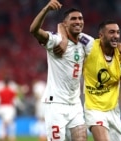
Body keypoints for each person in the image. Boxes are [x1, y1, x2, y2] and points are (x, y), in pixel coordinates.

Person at [29, 0, 94, 140]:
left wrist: (120, 47)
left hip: (75, 104)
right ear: (65, 24)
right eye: (74, 19)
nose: (78, 21)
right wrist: (46, 9)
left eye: (80, 18)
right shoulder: (56, 41)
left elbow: (104, 44)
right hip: (56, 105)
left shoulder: (85, 41)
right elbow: (34, 30)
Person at [81, 20, 121, 141]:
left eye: (118, 33)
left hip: (113, 110)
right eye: (111, 32)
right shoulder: (91, 46)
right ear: (101, 35)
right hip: (93, 109)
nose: (116, 36)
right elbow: (74, 33)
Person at [0, 75, 24, 141]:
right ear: (9, 83)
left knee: (3, 123)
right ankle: (11, 137)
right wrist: (21, 106)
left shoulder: (0, 91)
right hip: (10, 108)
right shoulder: (11, 91)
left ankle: (2, 137)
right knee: (11, 123)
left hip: (2, 108)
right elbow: (15, 100)